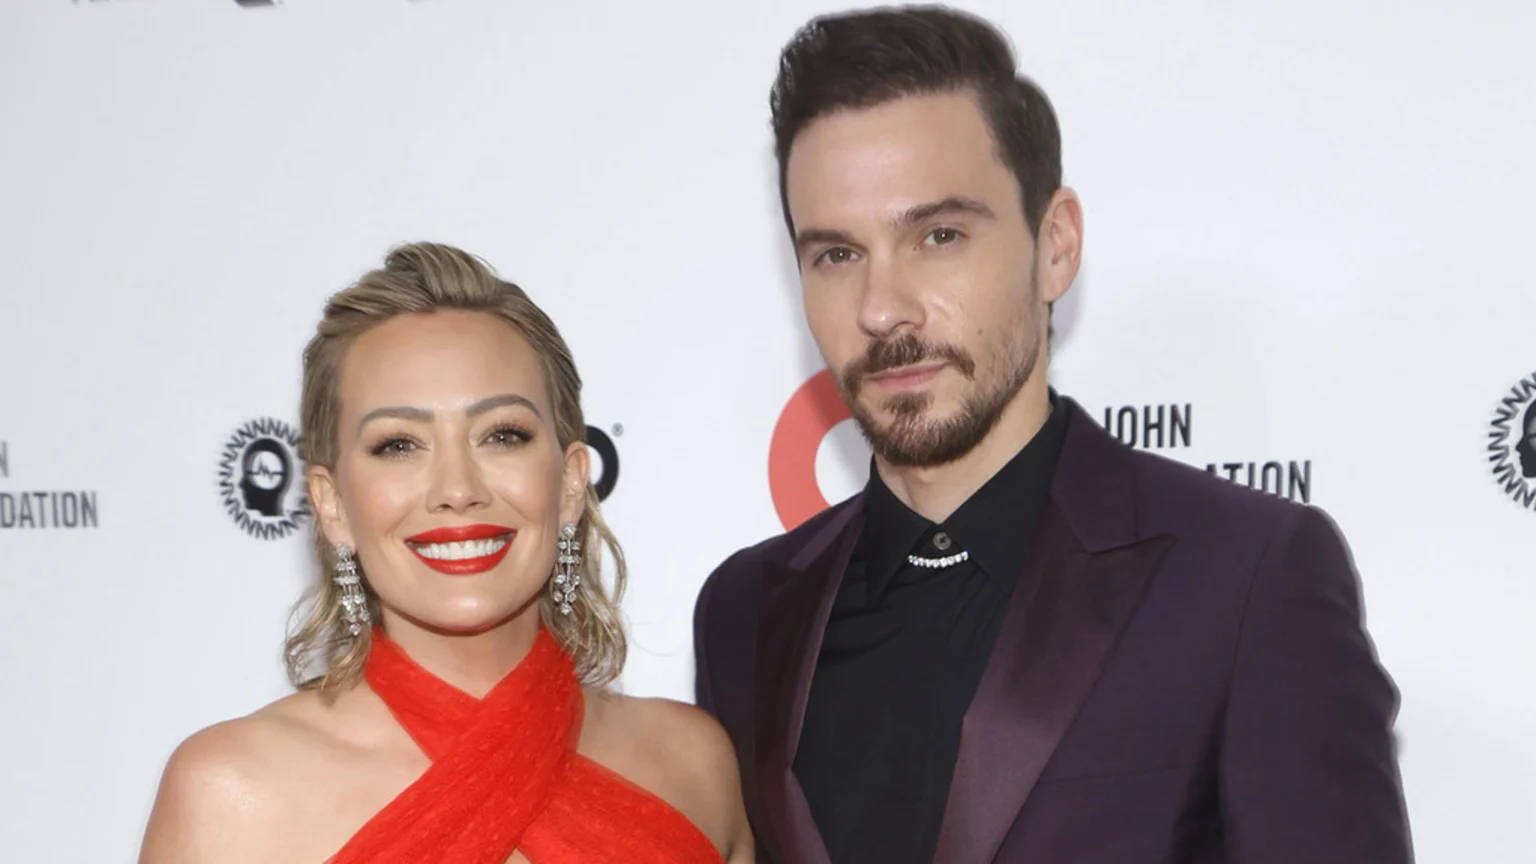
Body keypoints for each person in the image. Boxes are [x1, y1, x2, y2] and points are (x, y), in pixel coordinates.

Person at [692, 6, 1413, 864]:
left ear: (1056, 245)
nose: (882, 308)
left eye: (939, 235)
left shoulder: (1247, 577)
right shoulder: (743, 611)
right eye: (837, 255)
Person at [140, 242, 753, 863]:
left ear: (570, 482)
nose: (458, 490)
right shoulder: (231, 795)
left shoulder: (692, 764)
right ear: (331, 504)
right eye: (398, 445)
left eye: (502, 435)